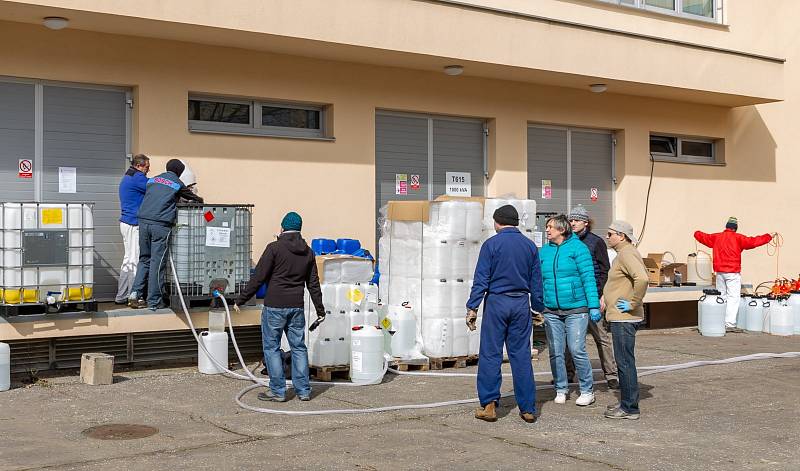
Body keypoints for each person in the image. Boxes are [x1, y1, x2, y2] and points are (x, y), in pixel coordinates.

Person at [234, 212, 326, 402]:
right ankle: (304, 391)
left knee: (272, 348)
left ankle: (278, 391)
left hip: (275, 306)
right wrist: (320, 310)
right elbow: (313, 284)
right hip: (296, 307)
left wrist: (241, 300)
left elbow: (258, 277)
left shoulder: (274, 248)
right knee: (299, 347)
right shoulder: (308, 252)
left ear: (282, 228)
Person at [467, 204, 544, 424]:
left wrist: (472, 306)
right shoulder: (530, 247)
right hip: (520, 302)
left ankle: (489, 405)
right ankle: (528, 408)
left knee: (491, 354)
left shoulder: (491, 244)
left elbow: (481, 279)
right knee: (521, 356)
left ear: (497, 222)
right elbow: (536, 282)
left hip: (497, 303)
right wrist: (537, 307)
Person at [539, 214, 600, 407]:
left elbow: (588, 278)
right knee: (556, 351)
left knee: (576, 349)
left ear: (562, 229)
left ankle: (587, 390)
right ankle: (561, 388)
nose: (547, 230)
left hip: (576, 309)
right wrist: (538, 303)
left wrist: (593, 305)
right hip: (551, 310)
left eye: (551, 227)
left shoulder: (578, 249)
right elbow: (539, 279)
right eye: (547, 227)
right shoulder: (544, 252)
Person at [128, 159, 203, 310]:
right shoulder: (177, 183)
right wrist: (200, 200)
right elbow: (193, 198)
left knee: (144, 259)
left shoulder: (152, 180)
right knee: (157, 261)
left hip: (143, 221)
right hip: (160, 224)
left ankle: (135, 294)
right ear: (179, 171)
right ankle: (154, 300)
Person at [565, 205, 619, 390]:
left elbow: (605, 271)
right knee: (570, 339)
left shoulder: (596, 242)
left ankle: (611, 375)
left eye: (576, 220)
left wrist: (602, 296)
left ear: (586, 223)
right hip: (573, 299)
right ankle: (568, 374)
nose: (572, 223)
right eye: (571, 220)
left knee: (601, 337)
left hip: (593, 297)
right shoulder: (565, 242)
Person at [603, 220, 649, 420]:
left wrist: (633, 303)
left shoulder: (627, 253)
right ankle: (626, 402)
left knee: (624, 362)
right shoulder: (623, 254)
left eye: (610, 233)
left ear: (622, 236)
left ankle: (630, 407)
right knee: (624, 360)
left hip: (624, 318)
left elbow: (643, 278)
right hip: (620, 316)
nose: (607, 236)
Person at [694, 218, 773, 332]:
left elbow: (703, 237)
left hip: (720, 272)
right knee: (733, 297)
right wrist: (768, 237)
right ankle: (729, 323)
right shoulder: (739, 238)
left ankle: (720, 321)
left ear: (726, 227)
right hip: (733, 273)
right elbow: (753, 241)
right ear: (735, 228)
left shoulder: (717, 237)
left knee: (721, 296)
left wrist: (696, 233)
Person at [116, 154, 150, 304]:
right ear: (139, 166)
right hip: (133, 223)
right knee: (135, 259)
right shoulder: (137, 177)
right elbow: (154, 187)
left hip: (126, 222)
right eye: (147, 167)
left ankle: (122, 295)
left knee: (128, 259)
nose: (148, 170)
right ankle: (133, 295)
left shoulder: (128, 176)